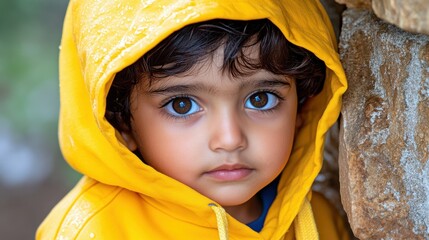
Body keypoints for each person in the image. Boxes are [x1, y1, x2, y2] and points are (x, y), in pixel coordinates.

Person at [37, 0, 349, 239]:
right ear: (120, 121)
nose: (229, 138)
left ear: (303, 107)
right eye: (182, 105)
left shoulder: (319, 220)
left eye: (260, 99)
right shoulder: (96, 230)